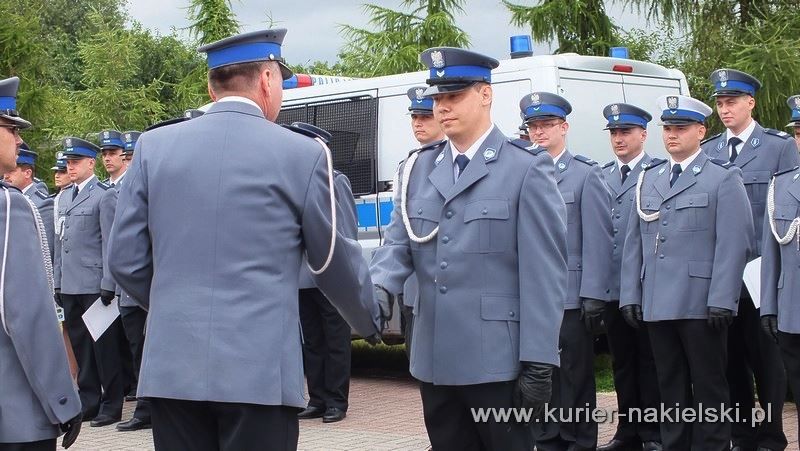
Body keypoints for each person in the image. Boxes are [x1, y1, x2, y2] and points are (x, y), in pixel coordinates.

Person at [107, 29, 388, 451]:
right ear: (268, 80)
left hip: (173, 368)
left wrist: (178, 306)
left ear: (210, 85)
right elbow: (330, 260)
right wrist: (370, 318)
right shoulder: (302, 153)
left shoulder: (153, 147)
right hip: (258, 371)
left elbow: (124, 259)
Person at [370, 47, 567, 450]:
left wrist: (539, 361)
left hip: (498, 361)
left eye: (453, 96)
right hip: (434, 356)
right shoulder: (416, 169)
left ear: (484, 95)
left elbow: (544, 275)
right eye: (438, 98)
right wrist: (372, 295)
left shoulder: (526, 168)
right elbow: (396, 249)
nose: (441, 107)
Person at [621, 94, 754, 450]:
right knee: (669, 386)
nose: (672, 135)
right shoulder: (650, 178)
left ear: (701, 130)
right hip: (658, 300)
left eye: (680, 128)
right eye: (667, 128)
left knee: (709, 385)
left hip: (701, 303)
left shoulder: (722, 179)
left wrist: (724, 299)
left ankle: (712, 445)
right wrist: (631, 294)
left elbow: (733, 244)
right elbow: (635, 242)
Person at [700, 68, 798, 451]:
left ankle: (771, 435)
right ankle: (742, 434)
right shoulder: (708, 150)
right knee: (731, 358)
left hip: (761, 271)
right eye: (720, 103)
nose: (725, 109)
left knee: (766, 359)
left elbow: (786, 207)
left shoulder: (777, 146)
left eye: (732, 102)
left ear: (750, 103)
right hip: (721, 274)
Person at [523, 92, 613, 451]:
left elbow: (599, 239)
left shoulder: (584, 174)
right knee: (539, 372)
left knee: (574, 374)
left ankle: (579, 439)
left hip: (570, 296)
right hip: (533, 296)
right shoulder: (522, 171)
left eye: (546, 125)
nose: (539, 132)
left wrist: (593, 294)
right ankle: (546, 437)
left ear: (564, 127)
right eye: (533, 126)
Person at [0, 75, 82, 451]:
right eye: (10, 128)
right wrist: (62, 398)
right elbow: (26, 313)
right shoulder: (9, 206)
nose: (19, 140)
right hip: (13, 409)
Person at [598, 103, 662, 451]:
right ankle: (627, 431)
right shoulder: (602, 174)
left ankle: (653, 432)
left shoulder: (658, 172)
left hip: (646, 284)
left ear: (643, 135)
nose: (619, 139)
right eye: (614, 133)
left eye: (626, 132)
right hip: (612, 286)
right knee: (622, 362)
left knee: (650, 360)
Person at [52, 136, 123, 428]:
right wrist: (58, 282)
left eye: (76, 162)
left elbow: (110, 242)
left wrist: (109, 282)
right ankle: (90, 401)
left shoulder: (103, 195)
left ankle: (112, 404)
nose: (70, 167)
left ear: (90, 164)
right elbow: (61, 242)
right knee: (82, 347)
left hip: (95, 284)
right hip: (71, 283)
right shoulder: (65, 196)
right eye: (68, 162)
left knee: (105, 348)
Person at [290, 122, 358, 424]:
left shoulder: (336, 181)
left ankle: (336, 401)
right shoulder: (292, 183)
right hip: (303, 277)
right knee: (312, 341)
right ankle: (317, 398)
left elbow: (347, 229)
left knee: (335, 340)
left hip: (330, 277)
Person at [396, 86, 445, 358]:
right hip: (416, 289)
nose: (418, 123)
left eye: (425, 117)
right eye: (414, 117)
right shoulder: (410, 165)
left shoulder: (458, 162)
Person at [112, 130, 152, 432]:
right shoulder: (120, 189)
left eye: (131, 155)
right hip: (128, 290)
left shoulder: (156, 188)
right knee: (137, 348)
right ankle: (144, 406)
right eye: (127, 156)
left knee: (150, 350)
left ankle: (148, 408)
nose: (130, 160)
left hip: (150, 288)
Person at [761, 164, 800, 437]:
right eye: (799, 133)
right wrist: (769, 307)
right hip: (792, 311)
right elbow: (771, 251)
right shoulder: (782, 184)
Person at [3, 143, 54, 259]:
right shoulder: (6, 198)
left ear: (27, 173)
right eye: (5, 172)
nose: (5, 176)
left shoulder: (43, 204)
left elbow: (46, 250)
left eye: (11, 171)